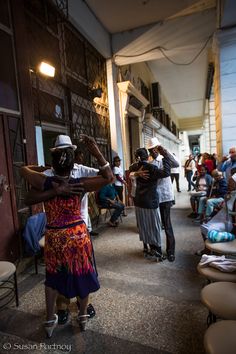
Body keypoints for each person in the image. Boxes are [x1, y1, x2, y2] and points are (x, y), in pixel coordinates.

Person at [21, 135, 113, 337]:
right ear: (73, 162)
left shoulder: (46, 180)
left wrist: (54, 190)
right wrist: (96, 151)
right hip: (78, 234)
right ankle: (82, 316)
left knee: (53, 278)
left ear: (53, 159)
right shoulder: (80, 183)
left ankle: (49, 319)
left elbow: (24, 175)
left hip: (54, 235)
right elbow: (109, 177)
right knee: (82, 273)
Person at [129, 147, 171, 262]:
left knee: (144, 225)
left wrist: (136, 173)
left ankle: (147, 247)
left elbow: (129, 171)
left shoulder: (135, 167)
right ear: (148, 156)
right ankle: (157, 250)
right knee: (155, 226)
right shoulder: (151, 168)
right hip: (150, 201)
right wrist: (166, 157)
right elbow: (166, 172)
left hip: (139, 201)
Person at [147, 137, 179, 262]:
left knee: (167, 225)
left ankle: (171, 252)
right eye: (151, 150)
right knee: (156, 225)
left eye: (155, 149)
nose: (153, 152)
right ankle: (157, 249)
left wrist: (165, 152)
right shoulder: (150, 163)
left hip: (165, 197)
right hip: (154, 198)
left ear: (158, 148)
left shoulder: (165, 159)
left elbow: (176, 164)